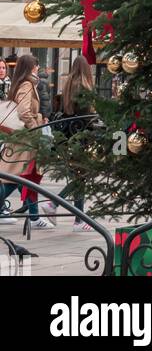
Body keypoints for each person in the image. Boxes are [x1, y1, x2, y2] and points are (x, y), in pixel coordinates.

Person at [0, 53, 52, 228]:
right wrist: (34, 127)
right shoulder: (27, 84)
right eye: (36, 65)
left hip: (21, 139)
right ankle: (34, 217)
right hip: (25, 139)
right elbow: (23, 112)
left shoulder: (23, 83)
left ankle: (34, 217)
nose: (38, 68)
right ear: (31, 67)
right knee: (17, 180)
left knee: (26, 178)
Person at [53, 56, 96, 231]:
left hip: (68, 136)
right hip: (81, 137)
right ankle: (54, 203)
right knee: (80, 177)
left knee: (79, 177)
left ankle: (79, 219)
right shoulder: (84, 86)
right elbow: (87, 116)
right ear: (86, 69)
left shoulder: (68, 84)